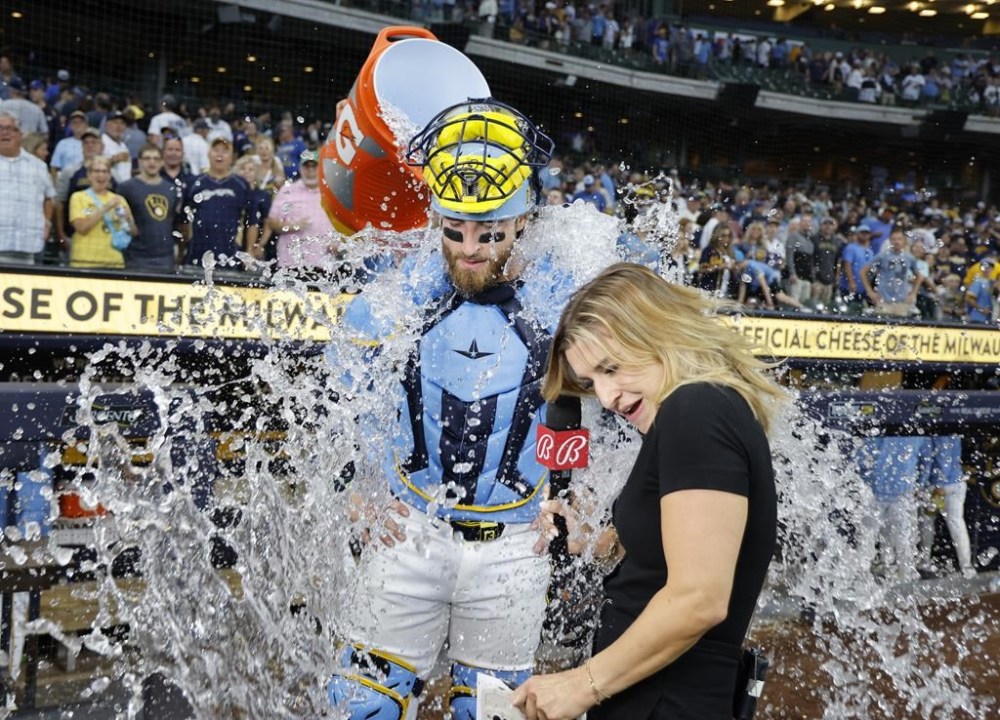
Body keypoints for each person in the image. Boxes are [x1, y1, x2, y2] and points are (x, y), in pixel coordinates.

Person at [327, 99, 567, 720]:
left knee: (490, 712)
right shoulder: (398, 294)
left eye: (488, 234)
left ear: (522, 222)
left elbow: (595, 404)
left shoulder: (562, 293)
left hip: (515, 544)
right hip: (409, 531)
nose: (468, 250)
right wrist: (365, 483)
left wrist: (579, 494)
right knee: (360, 706)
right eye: (453, 231)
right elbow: (353, 384)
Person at [511, 263, 783, 720]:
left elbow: (699, 598)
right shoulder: (696, 412)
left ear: (657, 329)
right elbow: (669, 570)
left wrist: (582, 684)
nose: (609, 395)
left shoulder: (696, 408)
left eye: (611, 368)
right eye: (593, 382)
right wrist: (595, 545)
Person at [182, 136, 259, 266]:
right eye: (216, 150)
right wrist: (183, 247)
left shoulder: (242, 185)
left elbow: (252, 221)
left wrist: (250, 251)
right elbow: (183, 220)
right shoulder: (194, 183)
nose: (220, 154)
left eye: (224, 151)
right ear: (208, 153)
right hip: (197, 253)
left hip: (230, 254)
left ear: (232, 157)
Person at [263, 149, 337, 269]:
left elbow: (342, 227)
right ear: (300, 168)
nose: (311, 171)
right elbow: (271, 223)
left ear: (321, 169)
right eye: (307, 166)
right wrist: (293, 225)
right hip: (290, 263)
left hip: (323, 264)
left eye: (314, 166)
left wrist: (337, 243)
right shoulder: (287, 191)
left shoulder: (332, 194)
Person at [0, 111, 55, 264]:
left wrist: (47, 222)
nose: (5, 133)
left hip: (28, 247)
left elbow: (49, 198)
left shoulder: (38, 166)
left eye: (10, 128)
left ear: (20, 134)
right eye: (0, 128)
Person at [117, 143, 182, 271]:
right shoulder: (126, 187)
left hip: (165, 256)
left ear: (162, 162)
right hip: (136, 255)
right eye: (147, 158)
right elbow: (119, 219)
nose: (152, 162)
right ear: (140, 161)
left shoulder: (171, 189)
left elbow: (174, 221)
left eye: (156, 158)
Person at [68, 155, 137, 269]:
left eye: (105, 172)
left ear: (109, 176)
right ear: (89, 175)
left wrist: (128, 219)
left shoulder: (119, 200)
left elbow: (133, 232)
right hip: (85, 261)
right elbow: (81, 228)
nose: (101, 175)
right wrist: (105, 208)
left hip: (114, 262)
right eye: (97, 171)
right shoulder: (78, 197)